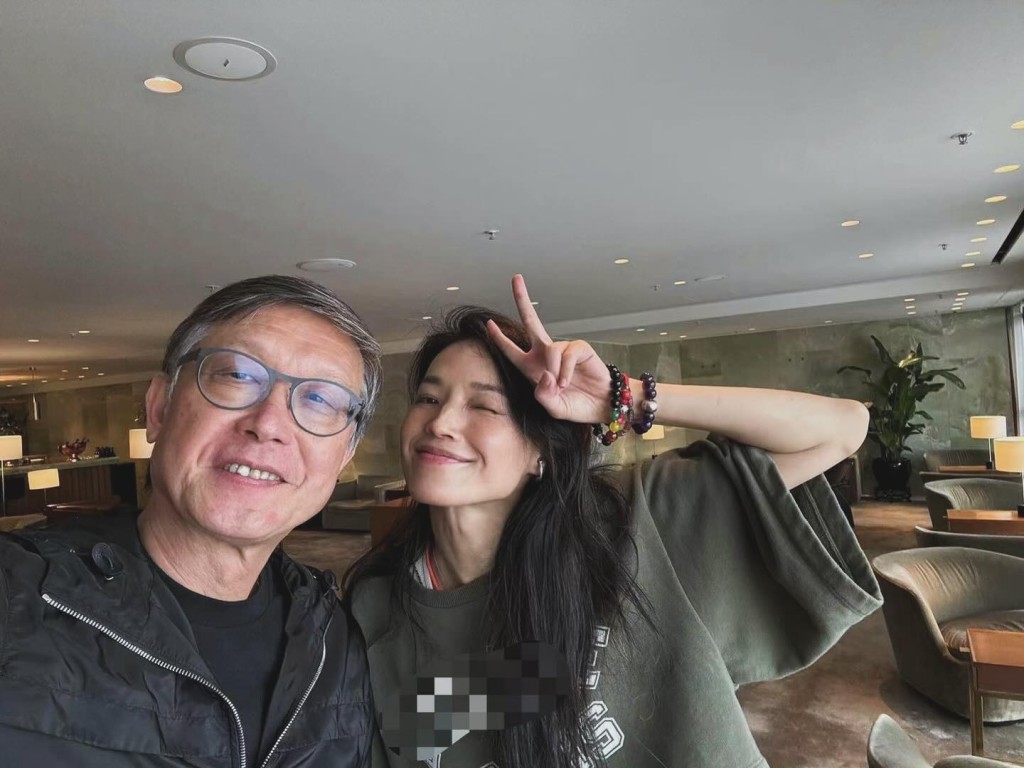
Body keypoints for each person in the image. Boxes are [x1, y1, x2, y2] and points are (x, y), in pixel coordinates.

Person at [345, 274, 882, 768]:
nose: (440, 422)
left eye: (483, 407)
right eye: (428, 397)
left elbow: (842, 429)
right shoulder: (379, 603)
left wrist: (622, 398)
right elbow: (417, 739)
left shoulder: (630, 520)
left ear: (541, 453)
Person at [0, 275, 381, 767]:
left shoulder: (338, 639)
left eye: (319, 400)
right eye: (238, 376)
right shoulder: (18, 597)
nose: (268, 424)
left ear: (344, 455)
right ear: (159, 408)